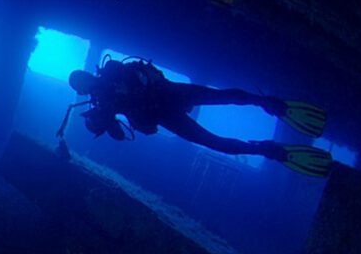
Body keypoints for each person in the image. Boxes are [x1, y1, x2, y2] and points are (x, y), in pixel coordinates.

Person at [63, 55, 333, 177]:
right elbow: (119, 136)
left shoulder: (112, 70)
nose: (86, 85)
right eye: (81, 86)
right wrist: (103, 121)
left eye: (83, 79)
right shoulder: (101, 105)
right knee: (212, 141)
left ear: (88, 74)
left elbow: (143, 72)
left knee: (220, 96)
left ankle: (269, 104)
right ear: (82, 91)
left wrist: (134, 85)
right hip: (165, 116)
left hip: (169, 94)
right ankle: (266, 149)